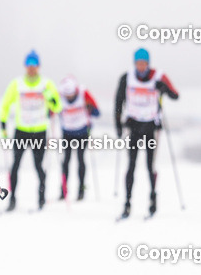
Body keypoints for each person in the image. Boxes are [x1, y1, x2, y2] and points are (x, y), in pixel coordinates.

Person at [113, 48, 179, 219]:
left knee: (150, 165)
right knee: (131, 165)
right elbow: (118, 101)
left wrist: (163, 88)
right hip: (133, 125)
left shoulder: (158, 76)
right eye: (138, 63)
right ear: (134, 63)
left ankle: (152, 199)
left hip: (151, 126)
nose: (141, 66)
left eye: (144, 63)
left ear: (148, 63)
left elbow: (175, 95)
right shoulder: (126, 77)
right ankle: (127, 203)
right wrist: (118, 124)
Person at [0, 50, 62, 211]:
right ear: (25, 66)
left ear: (38, 66)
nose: (32, 68)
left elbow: (57, 106)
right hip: (21, 131)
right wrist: (3, 124)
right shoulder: (17, 84)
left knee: (38, 166)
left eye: (34, 65)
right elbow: (5, 104)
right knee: (15, 166)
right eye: (29, 65)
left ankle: (41, 199)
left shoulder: (46, 84)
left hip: (39, 131)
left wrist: (49, 96)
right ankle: (12, 199)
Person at [58, 75, 100, 201]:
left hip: (82, 132)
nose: (69, 97)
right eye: (67, 95)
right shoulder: (59, 95)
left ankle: (81, 190)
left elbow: (97, 112)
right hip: (67, 132)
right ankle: (63, 190)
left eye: (71, 95)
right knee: (66, 161)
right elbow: (51, 111)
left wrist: (90, 108)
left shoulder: (83, 93)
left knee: (80, 159)